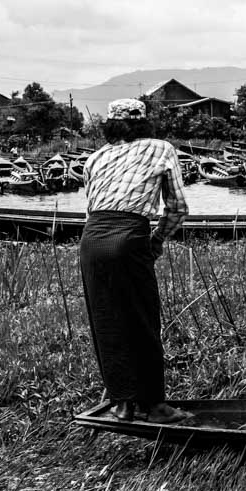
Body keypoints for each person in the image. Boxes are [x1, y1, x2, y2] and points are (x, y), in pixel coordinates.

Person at [79, 98, 192, 424]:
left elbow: (91, 209)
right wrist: (155, 241)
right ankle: (155, 406)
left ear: (110, 125)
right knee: (143, 320)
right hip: (128, 237)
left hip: (92, 240)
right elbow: (177, 208)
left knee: (107, 323)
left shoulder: (96, 157)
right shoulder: (161, 148)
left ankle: (124, 405)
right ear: (143, 123)